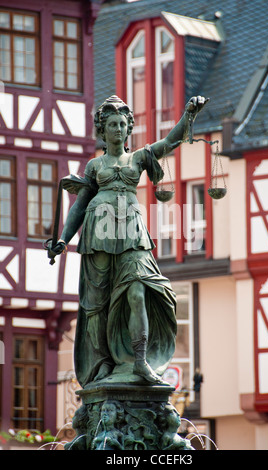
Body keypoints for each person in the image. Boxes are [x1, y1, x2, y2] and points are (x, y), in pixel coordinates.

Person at [50, 94, 208, 388]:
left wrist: (189, 115)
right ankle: (101, 366)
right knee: (97, 304)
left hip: (132, 234)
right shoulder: (95, 167)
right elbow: (79, 205)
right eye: (112, 124)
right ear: (103, 129)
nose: (119, 129)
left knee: (138, 293)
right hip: (98, 233)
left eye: (123, 124)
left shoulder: (138, 157)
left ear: (128, 128)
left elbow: (170, 143)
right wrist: (63, 239)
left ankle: (140, 361)